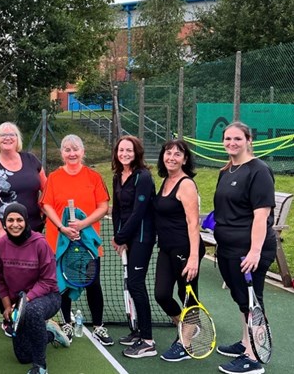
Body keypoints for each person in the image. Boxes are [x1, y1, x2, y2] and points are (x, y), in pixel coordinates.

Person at [213, 122, 277, 374]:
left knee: (253, 302)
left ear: (249, 139)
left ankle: (254, 357)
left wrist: (254, 252)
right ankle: (244, 343)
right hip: (227, 247)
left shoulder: (259, 171)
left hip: (248, 250)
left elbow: (261, 217)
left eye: (237, 138)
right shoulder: (226, 170)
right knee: (241, 299)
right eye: (227, 139)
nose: (232, 143)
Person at [41, 134, 112, 345]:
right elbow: (47, 205)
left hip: (87, 244)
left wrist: (82, 224)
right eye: (67, 150)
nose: (72, 153)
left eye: (75, 149)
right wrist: (62, 228)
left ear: (82, 152)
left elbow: (103, 206)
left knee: (93, 284)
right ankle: (66, 325)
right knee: (63, 284)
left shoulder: (94, 177)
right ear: (62, 153)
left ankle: (99, 326)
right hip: (60, 243)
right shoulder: (54, 178)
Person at [0, 122, 47, 333]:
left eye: (11, 134)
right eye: (2, 135)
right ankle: (8, 316)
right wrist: (0, 231)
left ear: (18, 139)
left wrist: (45, 210)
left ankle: (30, 313)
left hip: (33, 230)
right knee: (4, 274)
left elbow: (47, 188)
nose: (7, 138)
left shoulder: (31, 160)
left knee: (33, 272)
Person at [0, 203, 68, 374]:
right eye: (10, 220)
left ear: (26, 222)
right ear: (5, 223)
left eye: (19, 220)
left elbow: (48, 281)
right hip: (19, 304)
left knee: (33, 312)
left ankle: (40, 367)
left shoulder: (40, 244)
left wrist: (24, 301)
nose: (15, 224)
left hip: (48, 297)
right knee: (23, 356)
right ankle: (50, 333)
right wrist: (6, 307)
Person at [151, 139, 203, 362]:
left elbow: (193, 223)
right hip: (166, 248)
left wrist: (193, 258)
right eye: (168, 153)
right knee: (161, 294)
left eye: (177, 154)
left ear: (185, 159)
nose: (171, 157)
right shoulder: (166, 181)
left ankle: (186, 344)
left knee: (187, 295)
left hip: (185, 249)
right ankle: (186, 326)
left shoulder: (186, 184)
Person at [110, 136, 157, 358]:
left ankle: (147, 341)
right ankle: (138, 331)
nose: (125, 154)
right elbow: (118, 210)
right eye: (121, 150)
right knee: (132, 283)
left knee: (137, 284)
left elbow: (139, 212)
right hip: (128, 237)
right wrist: (118, 235)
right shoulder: (118, 176)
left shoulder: (144, 177)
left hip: (142, 238)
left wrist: (122, 237)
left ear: (136, 152)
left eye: (129, 150)